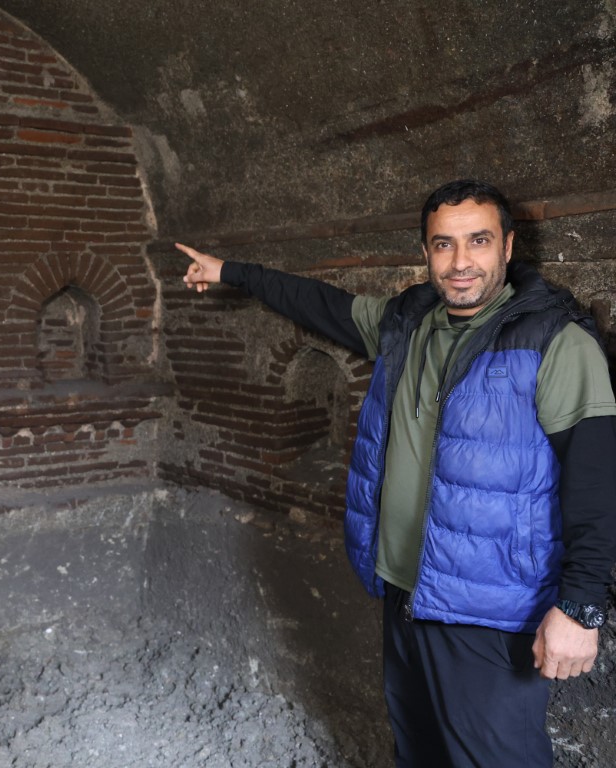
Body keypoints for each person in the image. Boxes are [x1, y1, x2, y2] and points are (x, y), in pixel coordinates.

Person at [176, 179, 616, 768]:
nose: (461, 262)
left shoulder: (555, 341)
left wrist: (582, 604)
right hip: (405, 590)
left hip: (489, 612)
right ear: (427, 253)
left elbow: (594, 476)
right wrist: (231, 272)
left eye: (478, 241)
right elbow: (321, 305)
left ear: (508, 248)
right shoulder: (407, 322)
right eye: (443, 245)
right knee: (418, 750)